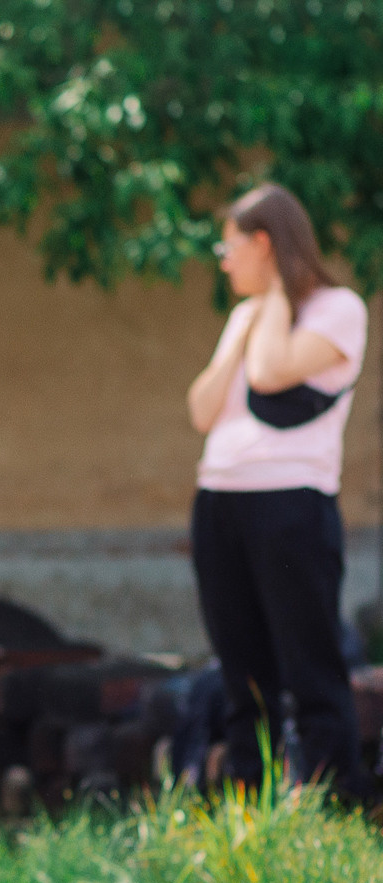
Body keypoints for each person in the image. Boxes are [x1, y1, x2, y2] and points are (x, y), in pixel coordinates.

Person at [186, 182, 371, 799]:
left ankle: (337, 807)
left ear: (264, 243)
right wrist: (244, 324)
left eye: (231, 245)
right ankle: (250, 809)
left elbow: (269, 374)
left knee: (310, 667)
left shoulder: (337, 309)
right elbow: (202, 410)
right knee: (243, 675)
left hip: (291, 503)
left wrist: (270, 301)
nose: (223, 258)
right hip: (220, 501)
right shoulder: (244, 317)